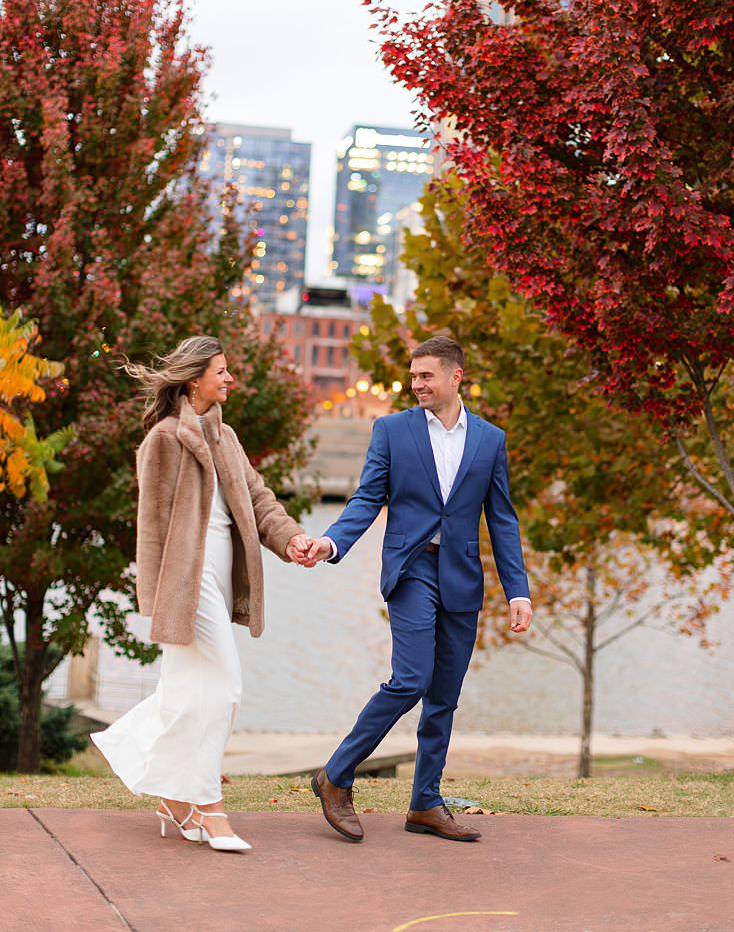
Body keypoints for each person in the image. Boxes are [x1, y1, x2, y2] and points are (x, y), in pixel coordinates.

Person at [296, 335, 531, 844]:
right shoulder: (392, 430)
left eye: (426, 375)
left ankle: (425, 802)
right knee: (411, 679)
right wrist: (332, 544)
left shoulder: (490, 440)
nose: (416, 383)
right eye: (413, 374)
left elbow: (503, 520)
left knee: (444, 695)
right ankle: (336, 774)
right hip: (410, 570)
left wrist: (518, 589)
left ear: (455, 377)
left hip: (463, 575)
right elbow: (366, 498)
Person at [92, 336, 315, 853]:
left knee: (187, 694)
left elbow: (259, 498)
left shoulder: (226, 437)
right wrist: (161, 597)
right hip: (186, 583)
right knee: (225, 687)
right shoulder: (165, 440)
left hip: (220, 575)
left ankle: (172, 800)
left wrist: (293, 538)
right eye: (222, 370)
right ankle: (210, 807)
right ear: (195, 379)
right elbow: (151, 527)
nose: (231, 378)